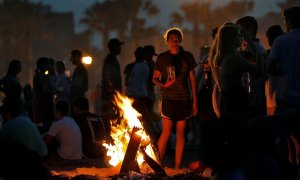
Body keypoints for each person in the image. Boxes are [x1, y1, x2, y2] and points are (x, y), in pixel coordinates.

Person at [208, 22, 263, 174]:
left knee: (230, 135)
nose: (241, 38)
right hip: (236, 96)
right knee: (240, 135)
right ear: (232, 39)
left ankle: (227, 170)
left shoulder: (216, 58)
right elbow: (257, 69)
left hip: (225, 97)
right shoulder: (232, 58)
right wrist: (252, 45)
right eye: (238, 35)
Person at [152, 27, 198, 169]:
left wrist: (195, 100)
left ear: (181, 40)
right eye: (171, 38)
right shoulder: (162, 58)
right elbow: (154, 79)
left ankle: (177, 167)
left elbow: (192, 79)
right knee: (166, 132)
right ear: (167, 41)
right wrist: (164, 85)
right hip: (168, 99)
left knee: (180, 134)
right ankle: (156, 165)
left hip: (184, 100)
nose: (174, 41)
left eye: (177, 38)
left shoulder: (188, 56)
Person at [268, 6, 300, 114]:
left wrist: (284, 72)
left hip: (285, 96)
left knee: (282, 128)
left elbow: (270, 67)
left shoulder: (281, 40)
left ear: (289, 21)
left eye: (285, 20)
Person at [236, 16, 267, 118]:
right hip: (246, 96)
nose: (240, 34)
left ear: (251, 30)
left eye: (241, 30)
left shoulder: (257, 47)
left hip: (256, 97)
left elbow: (260, 69)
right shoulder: (243, 48)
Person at [32, 57, 55, 132]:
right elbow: (46, 91)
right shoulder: (43, 77)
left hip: (40, 104)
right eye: (48, 64)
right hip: (44, 105)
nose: (50, 66)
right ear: (44, 65)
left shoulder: (39, 76)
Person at [144, 45, 158, 110]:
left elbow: (153, 81)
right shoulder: (153, 64)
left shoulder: (148, 65)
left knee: (147, 113)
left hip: (148, 92)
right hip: (149, 92)